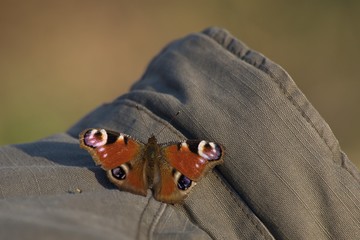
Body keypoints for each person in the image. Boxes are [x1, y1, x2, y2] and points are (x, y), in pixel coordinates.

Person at [0, 27, 359, 240]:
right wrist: (192, 157)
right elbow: (207, 150)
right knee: (170, 175)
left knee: (133, 162)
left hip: (133, 172)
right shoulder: (179, 152)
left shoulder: (127, 147)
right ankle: (163, 184)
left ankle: (140, 179)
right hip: (169, 176)